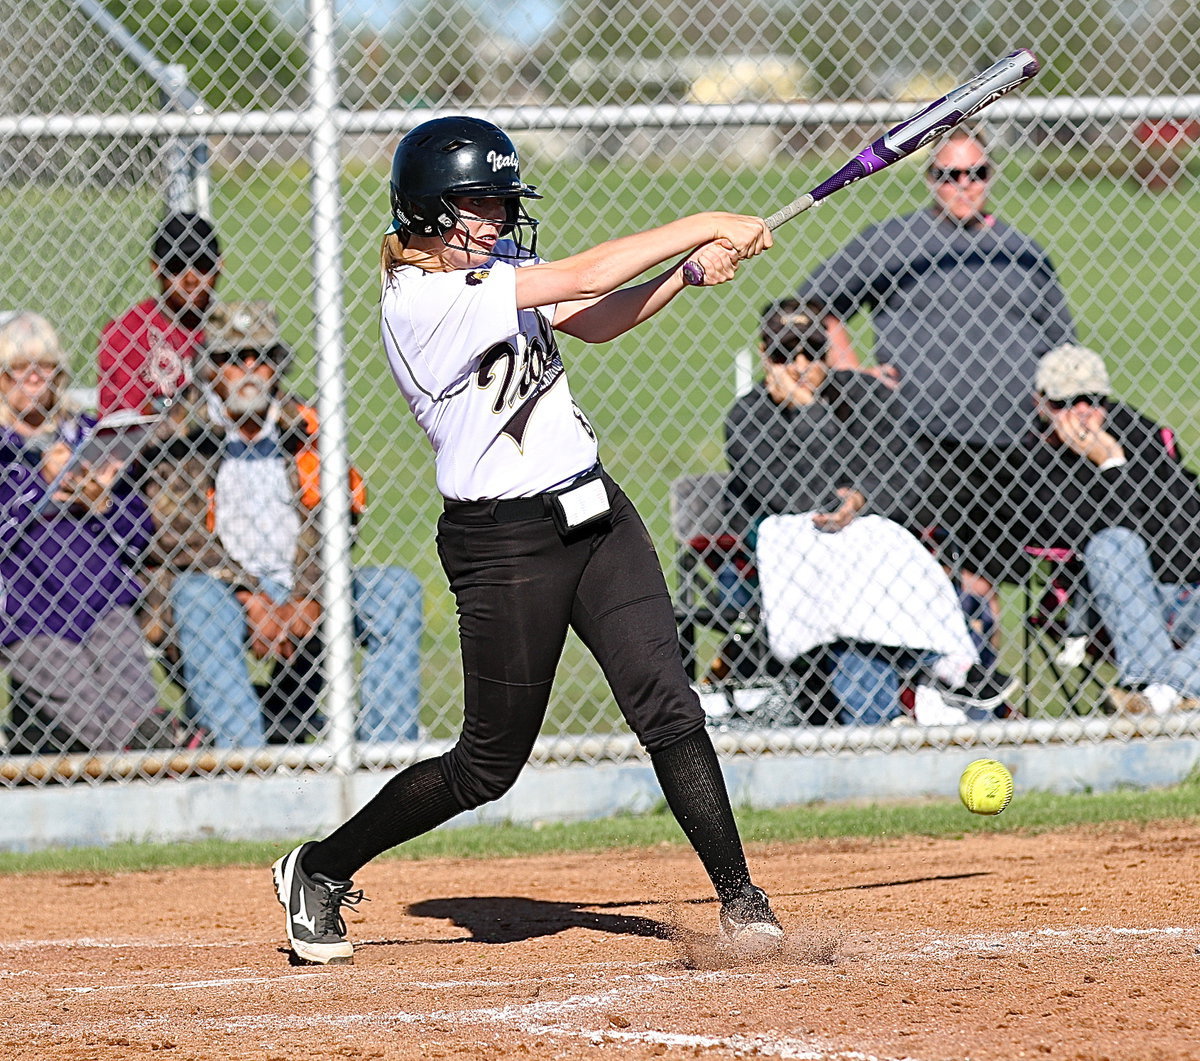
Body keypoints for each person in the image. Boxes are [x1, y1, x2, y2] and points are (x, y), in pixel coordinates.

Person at [270, 114, 782, 966]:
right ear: (429, 214)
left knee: (666, 700)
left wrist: (686, 277)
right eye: (480, 207)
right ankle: (318, 868)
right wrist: (706, 220)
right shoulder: (426, 299)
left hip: (595, 512)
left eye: (504, 206)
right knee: (487, 764)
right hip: (503, 541)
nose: (500, 224)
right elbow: (581, 270)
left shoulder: (491, 268)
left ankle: (741, 897)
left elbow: (595, 313)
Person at [134, 301, 423, 748]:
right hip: (224, 590)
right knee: (196, 600)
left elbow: (338, 515)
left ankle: (386, 753)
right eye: (233, 358)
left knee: (397, 592)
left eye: (262, 357)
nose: (249, 369)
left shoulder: (304, 426)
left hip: (303, 583)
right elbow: (176, 533)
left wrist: (308, 593)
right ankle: (245, 759)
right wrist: (249, 593)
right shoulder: (181, 431)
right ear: (210, 368)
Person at [797, 128, 1076, 591]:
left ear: (991, 177)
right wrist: (849, 367)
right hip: (919, 437)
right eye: (950, 175)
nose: (964, 185)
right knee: (922, 573)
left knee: (988, 576)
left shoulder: (1024, 252)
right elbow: (814, 305)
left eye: (976, 173)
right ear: (930, 178)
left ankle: (982, 661)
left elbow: (1062, 344)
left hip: (1010, 438)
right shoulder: (893, 241)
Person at [722, 299, 1008, 726]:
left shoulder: (865, 394)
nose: (800, 366)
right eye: (784, 354)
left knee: (858, 549)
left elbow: (907, 475)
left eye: (812, 352)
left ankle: (884, 714)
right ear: (764, 354)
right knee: (844, 551)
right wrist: (810, 413)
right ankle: (935, 673)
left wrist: (858, 498)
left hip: (874, 558)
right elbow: (793, 495)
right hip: (790, 556)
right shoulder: (747, 416)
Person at [1002, 343, 1200, 716]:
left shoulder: (1136, 431)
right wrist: (1110, 464)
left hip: (1190, 589)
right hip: (1127, 604)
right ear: (1041, 403)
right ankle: (1159, 685)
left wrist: (1117, 458)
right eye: (1065, 402)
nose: (1081, 412)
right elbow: (1101, 530)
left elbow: (1183, 512)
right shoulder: (1034, 461)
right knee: (1112, 543)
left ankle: (1162, 694)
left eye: (1091, 399)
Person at [0, 312, 159, 753]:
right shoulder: (3, 449)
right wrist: (44, 484)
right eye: (18, 367)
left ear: (60, 372)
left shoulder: (89, 434)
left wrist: (101, 501)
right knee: (97, 722)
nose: (33, 377)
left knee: (137, 717)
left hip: (102, 598)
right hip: (26, 611)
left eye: (44, 365)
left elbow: (138, 531)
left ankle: (150, 768)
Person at [97, 212, 221, 418]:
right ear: (156, 267)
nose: (191, 279)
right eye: (176, 266)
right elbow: (119, 423)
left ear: (220, 265)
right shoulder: (127, 332)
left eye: (202, 265)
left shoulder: (233, 325)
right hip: (152, 446)